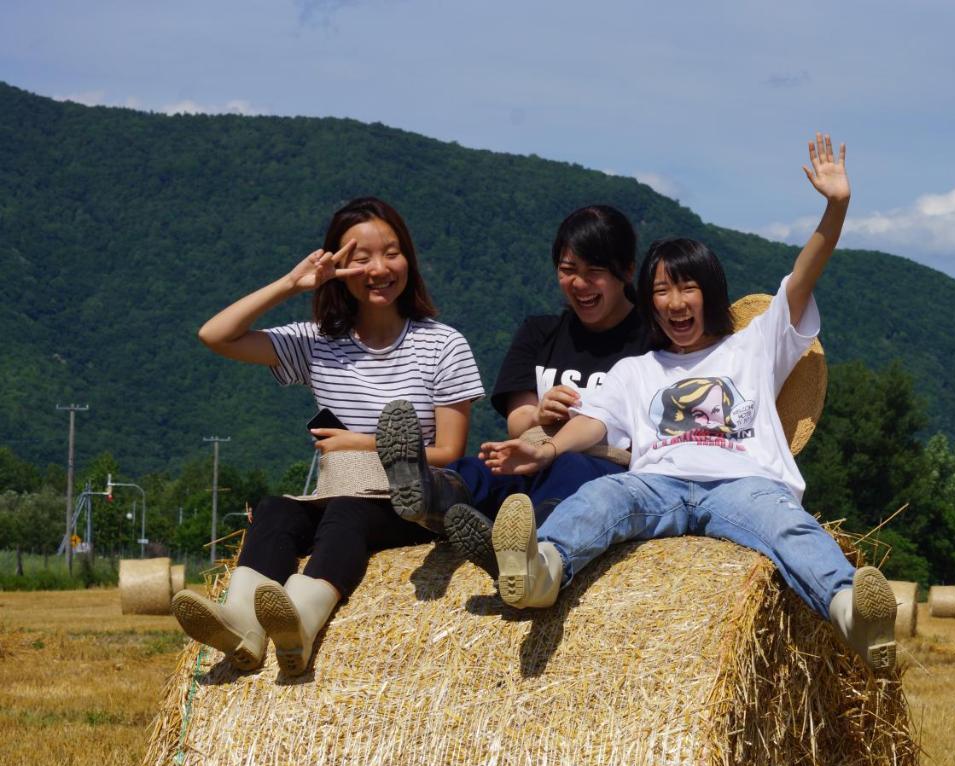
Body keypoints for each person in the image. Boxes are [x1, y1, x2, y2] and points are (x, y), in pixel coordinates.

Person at [479, 134, 898, 675]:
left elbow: (804, 273)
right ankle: (541, 571)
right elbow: (593, 423)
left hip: (743, 484)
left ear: (710, 291)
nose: (675, 302)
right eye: (660, 291)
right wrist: (548, 449)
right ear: (649, 301)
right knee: (599, 500)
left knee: (788, 528)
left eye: (687, 288)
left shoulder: (755, 344)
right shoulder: (637, 369)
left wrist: (835, 206)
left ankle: (853, 614)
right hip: (659, 483)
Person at [172, 197, 483, 676]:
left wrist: (360, 442)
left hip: (411, 504)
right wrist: (291, 284)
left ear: (410, 260)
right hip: (337, 490)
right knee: (275, 507)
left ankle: (301, 618)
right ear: (337, 268)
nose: (379, 268)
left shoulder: (443, 344)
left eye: (392, 252)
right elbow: (216, 335)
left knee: (347, 512)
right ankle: (244, 625)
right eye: (360, 259)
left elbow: (449, 451)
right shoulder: (317, 342)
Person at [376, 205, 651, 575]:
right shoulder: (540, 332)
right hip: (534, 450)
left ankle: (525, 545)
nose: (579, 284)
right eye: (568, 270)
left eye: (595, 272)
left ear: (627, 271)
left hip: (603, 465)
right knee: (486, 464)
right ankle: (432, 495)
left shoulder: (652, 340)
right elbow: (519, 422)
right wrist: (540, 413)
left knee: (568, 467)